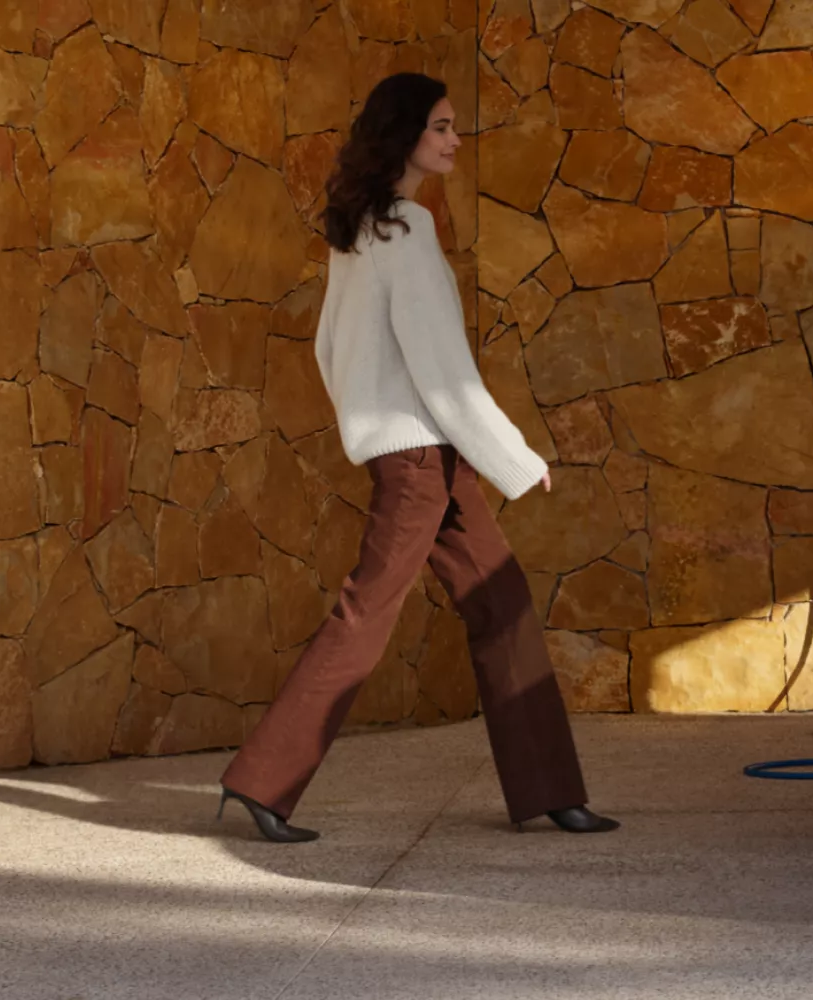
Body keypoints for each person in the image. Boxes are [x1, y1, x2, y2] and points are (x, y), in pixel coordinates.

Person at [214, 72, 617, 842]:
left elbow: (328, 345)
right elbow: (443, 368)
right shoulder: (406, 229)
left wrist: (363, 424)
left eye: (452, 125)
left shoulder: (361, 228)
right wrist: (518, 458)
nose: (453, 139)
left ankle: (551, 791)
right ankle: (261, 783)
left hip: (419, 454)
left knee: (501, 603)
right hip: (421, 457)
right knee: (367, 613)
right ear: (405, 137)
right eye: (440, 127)